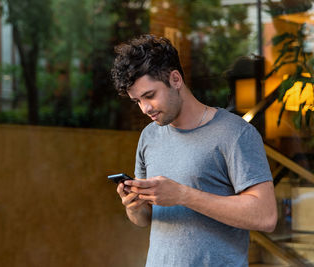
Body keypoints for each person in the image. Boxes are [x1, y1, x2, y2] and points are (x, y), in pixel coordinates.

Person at [110, 34, 277, 267]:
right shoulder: (149, 136)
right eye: (137, 100)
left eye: (150, 95)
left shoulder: (235, 133)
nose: (145, 108)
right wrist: (134, 207)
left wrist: (182, 195)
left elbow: (266, 216)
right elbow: (145, 219)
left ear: (175, 79)